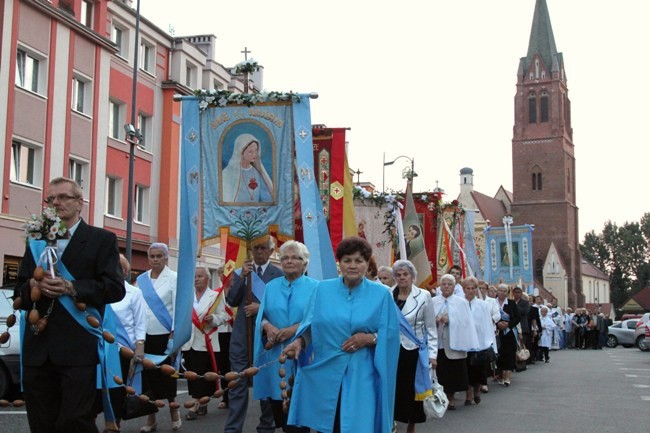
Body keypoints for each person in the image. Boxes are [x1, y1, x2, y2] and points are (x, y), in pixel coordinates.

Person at [15, 177, 125, 433]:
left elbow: (115, 289)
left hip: (77, 348)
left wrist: (72, 288)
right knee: (42, 423)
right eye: (50, 199)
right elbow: (18, 289)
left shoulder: (101, 240)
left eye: (63, 197)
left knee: (76, 422)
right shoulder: (36, 241)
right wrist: (33, 283)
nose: (56, 203)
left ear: (79, 203)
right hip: (38, 349)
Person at [283, 237, 400, 433]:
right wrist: (300, 342)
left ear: (366, 263)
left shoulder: (381, 294)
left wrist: (369, 339)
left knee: (359, 425)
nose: (352, 265)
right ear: (340, 262)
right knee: (328, 424)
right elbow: (311, 326)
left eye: (358, 260)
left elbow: (390, 335)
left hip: (362, 374)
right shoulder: (322, 289)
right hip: (326, 371)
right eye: (347, 260)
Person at [253, 240, 317, 433]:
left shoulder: (316, 287)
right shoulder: (271, 287)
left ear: (305, 263)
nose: (289, 261)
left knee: (299, 412)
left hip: (303, 353)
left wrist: (293, 329)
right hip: (275, 354)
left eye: (295, 258)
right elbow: (261, 315)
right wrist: (268, 326)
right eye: (285, 258)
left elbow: (318, 318)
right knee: (279, 407)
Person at [225, 238, 283, 433]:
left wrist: (261, 308)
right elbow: (232, 300)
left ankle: (267, 427)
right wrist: (242, 276)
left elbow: (283, 308)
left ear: (271, 251)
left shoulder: (279, 275)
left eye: (263, 248)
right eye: (256, 248)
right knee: (237, 384)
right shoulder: (241, 272)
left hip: (267, 338)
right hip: (241, 337)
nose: (259, 252)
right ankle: (233, 428)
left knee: (266, 382)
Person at [138, 242, 180, 432]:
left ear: (165, 257)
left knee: (167, 375)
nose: (155, 259)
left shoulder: (174, 278)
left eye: (158, 256)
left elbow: (179, 308)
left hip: (164, 334)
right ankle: (151, 418)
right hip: (144, 335)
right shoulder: (141, 279)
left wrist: (174, 333)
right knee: (147, 377)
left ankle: (174, 411)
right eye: (152, 256)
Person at [391, 260, 437, 433]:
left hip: (414, 351)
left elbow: (431, 328)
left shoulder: (423, 296)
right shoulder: (388, 295)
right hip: (393, 350)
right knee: (394, 387)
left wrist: (433, 355)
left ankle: (412, 424)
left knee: (412, 389)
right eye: (398, 275)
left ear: (412, 276)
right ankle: (393, 421)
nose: (402, 277)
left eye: (405, 274)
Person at [182, 267, 231, 420]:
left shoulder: (215, 296)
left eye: (200, 276)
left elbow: (224, 316)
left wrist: (214, 319)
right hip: (189, 340)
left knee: (203, 373)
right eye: (195, 276)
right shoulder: (187, 295)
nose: (196, 279)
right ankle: (200, 402)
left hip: (206, 339)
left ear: (208, 278)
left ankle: (196, 405)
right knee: (192, 374)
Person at [109, 254, 147, 428]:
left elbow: (140, 321)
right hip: (105, 346)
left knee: (118, 389)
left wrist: (140, 345)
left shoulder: (134, 293)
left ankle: (114, 424)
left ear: (124, 271)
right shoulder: (103, 291)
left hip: (124, 349)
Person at [432, 274, 479, 410]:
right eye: (444, 284)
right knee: (440, 372)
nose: (446, 286)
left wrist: (450, 320)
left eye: (449, 284)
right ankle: (440, 398)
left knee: (452, 372)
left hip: (454, 343)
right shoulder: (433, 301)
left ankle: (451, 398)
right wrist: (434, 320)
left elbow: (466, 323)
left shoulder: (461, 302)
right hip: (438, 342)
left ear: (454, 287)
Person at [462, 277, 496, 406]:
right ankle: (468, 394)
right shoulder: (460, 303)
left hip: (479, 342)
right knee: (466, 369)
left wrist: (489, 342)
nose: (470, 291)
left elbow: (487, 324)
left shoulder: (483, 305)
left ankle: (477, 390)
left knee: (478, 369)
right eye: (468, 288)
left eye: (473, 288)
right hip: (465, 342)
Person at [222, 133, 273, 203]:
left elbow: (266, 197)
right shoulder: (228, 173)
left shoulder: (258, 173)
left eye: (256, 150)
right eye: (250, 152)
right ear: (241, 152)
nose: (254, 154)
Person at [494, 284, 520, 387]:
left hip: (509, 332)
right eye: (500, 290)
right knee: (499, 354)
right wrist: (498, 324)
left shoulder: (512, 303)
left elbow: (517, 317)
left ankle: (508, 377)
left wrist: (508, 324)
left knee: (509, 354)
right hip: (497, 332)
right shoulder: (492, 302)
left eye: (505, 291)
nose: (502, 292)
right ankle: (500, 375)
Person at [512, 286, 531, 371]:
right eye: (515, 292)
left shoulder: (525, 302)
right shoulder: (511, 302)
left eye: (518, 292)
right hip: (513, 326)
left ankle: (522, 365)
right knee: (514, 347)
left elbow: (524, 312)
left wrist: (515, 306)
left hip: (523, 327)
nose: (517, 294)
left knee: (521, 347)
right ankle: (514, 364)